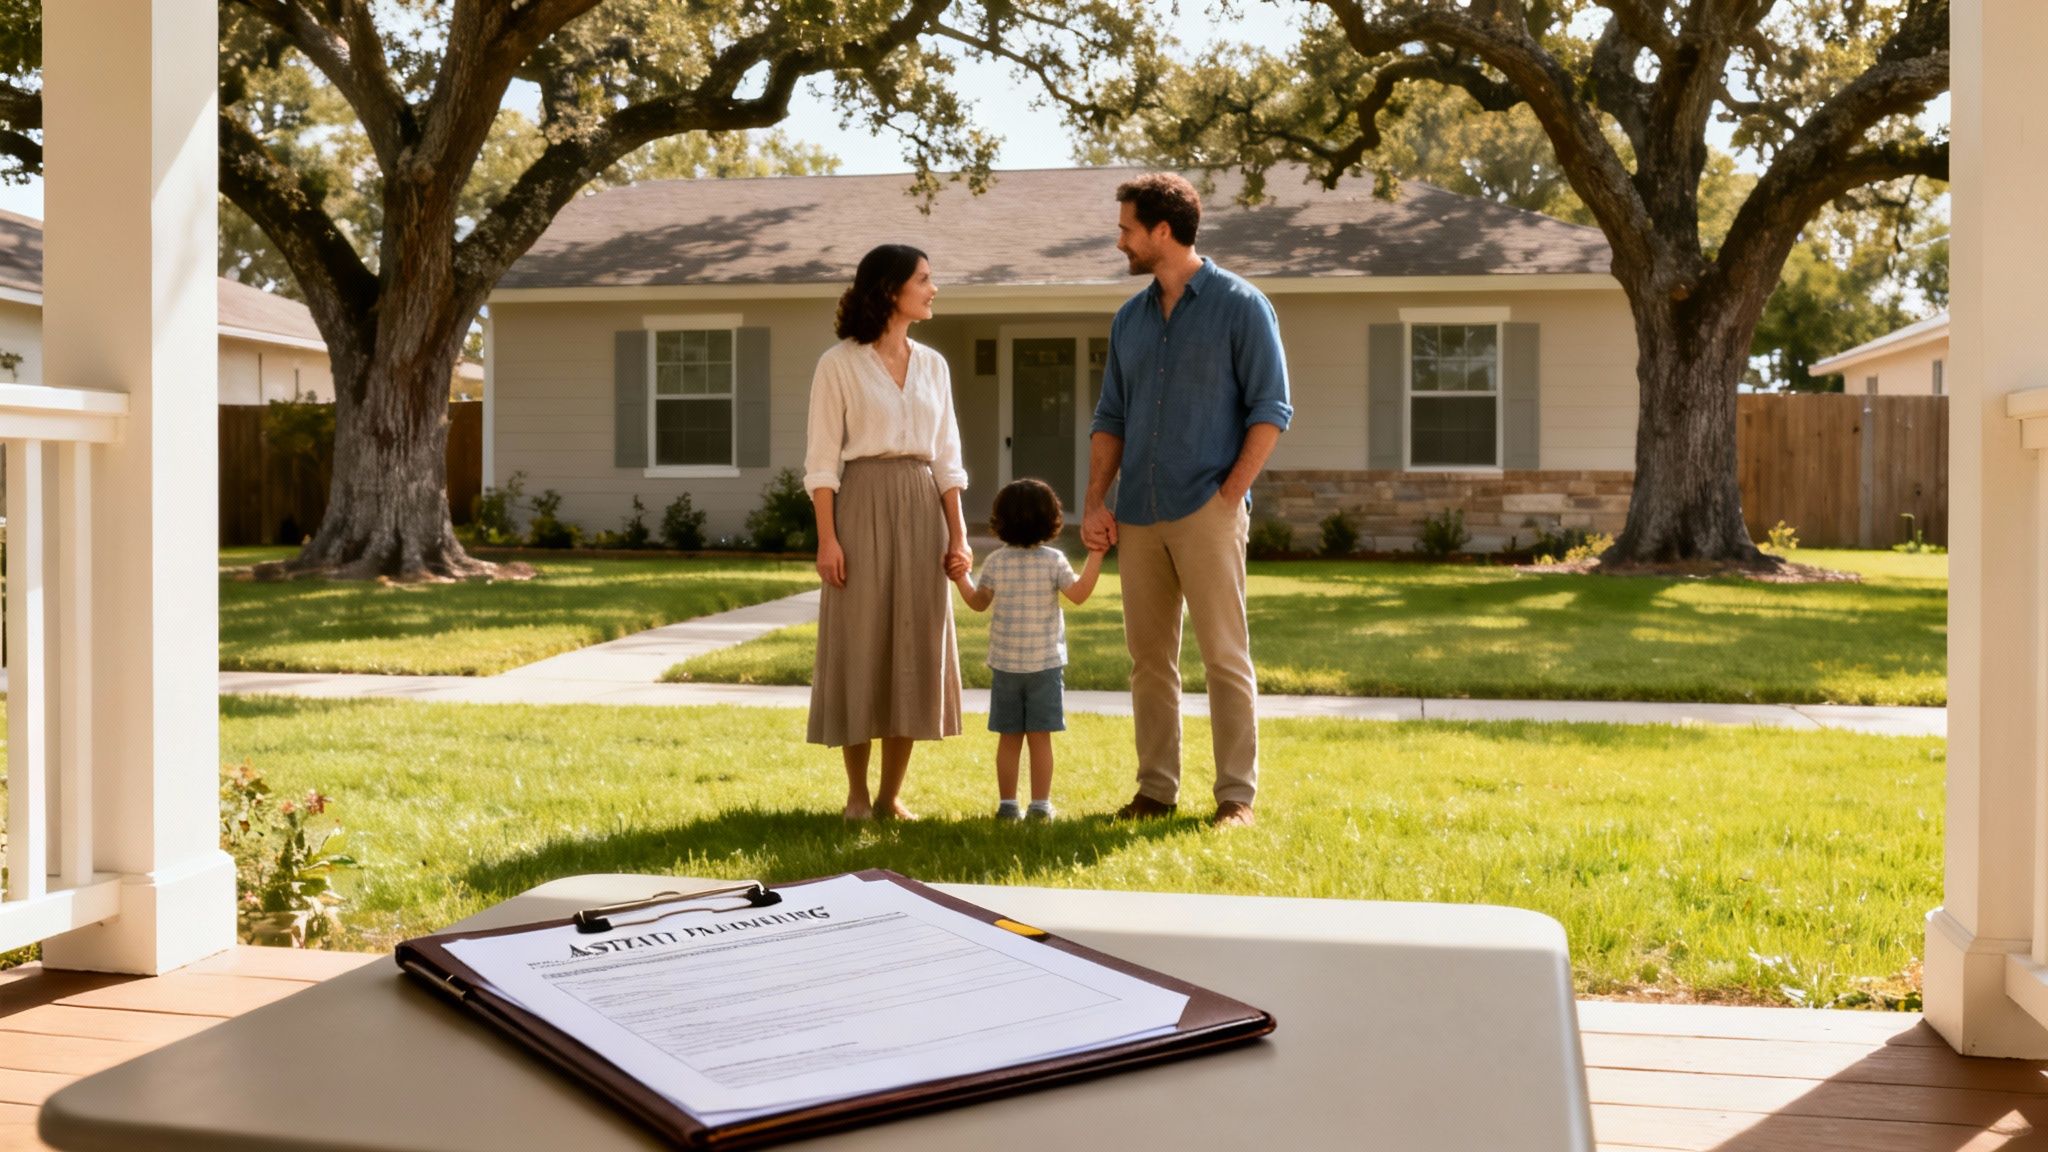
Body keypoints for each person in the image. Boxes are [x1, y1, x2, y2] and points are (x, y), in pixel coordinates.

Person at [1083, 173, 1292, 829]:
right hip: (1138, 513)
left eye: (1127, 228)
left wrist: (1231, 495)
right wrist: (1095, 501)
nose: (1120, 240)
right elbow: (1110, 417)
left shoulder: (1242, 305)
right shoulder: (1130, 319)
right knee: (1149, 663)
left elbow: (1271, 410)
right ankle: (1155, 790)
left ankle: (1236, 797)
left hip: (1207, 506)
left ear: (1162, 232)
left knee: (1225, 657)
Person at [804, 244, 972, 821]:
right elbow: (822, 462)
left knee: (913, 644)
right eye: (924, 279)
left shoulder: (934, 365)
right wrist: (828, 539)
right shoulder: (839, 364)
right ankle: (855, 794)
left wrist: (959, 534)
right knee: (861, 642)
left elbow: (948, 458)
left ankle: (890, 795)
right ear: (890, 289)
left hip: (923, 506)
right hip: (862, 504)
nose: (933, 288)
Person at [951, 478, 1107, 823]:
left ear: (1000, 521)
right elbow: (1079, 594)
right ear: (1051, 520)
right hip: (1045, 666)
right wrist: (1097, 555)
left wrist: (961, 577)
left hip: (1006, 666)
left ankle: (1008, 805)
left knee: (1009, 738)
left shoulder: (996, 561)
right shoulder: (1054, 560)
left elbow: (978, 602)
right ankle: (1039, 806)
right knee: (1040, 739)